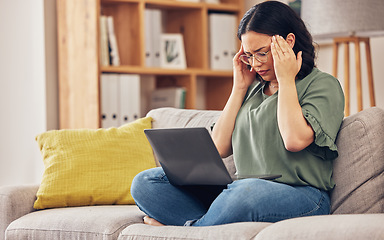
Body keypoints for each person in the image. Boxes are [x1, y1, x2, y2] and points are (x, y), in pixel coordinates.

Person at [131, 1, 344, 227]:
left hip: (303, 196)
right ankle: (205, 224)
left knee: (244, 191)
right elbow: (219, 147)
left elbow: (294, 140)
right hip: (238, 192)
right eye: (249, 55)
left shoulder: (323, 85)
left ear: (288, 42)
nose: (256, 64)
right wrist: (239, 88)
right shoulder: (252, 87)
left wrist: (286, 80)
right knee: (145, 182)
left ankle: (191, 231)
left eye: (262, 53)